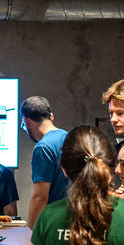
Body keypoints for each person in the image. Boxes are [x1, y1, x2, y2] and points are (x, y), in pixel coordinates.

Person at [20, 96, 70, 229]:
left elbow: (40, 197)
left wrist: (31, 232)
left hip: (55, 223)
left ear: (27, 122)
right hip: (76, 220)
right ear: (51, 116)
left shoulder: (43, 148)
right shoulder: (71, 138)